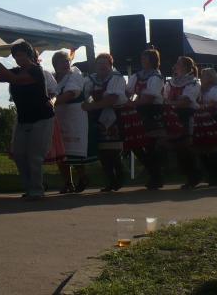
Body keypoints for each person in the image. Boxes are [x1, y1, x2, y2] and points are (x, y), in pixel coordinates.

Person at [0, 41, 55, 200]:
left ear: (29, 55)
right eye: (15, 56)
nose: (18, 58)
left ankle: (36, 190)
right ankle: (29, 188)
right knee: (19, 154)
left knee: (35, 156)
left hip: (42, 118)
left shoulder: (36, 70)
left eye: (21, 55)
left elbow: (15, 79)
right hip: (23, 119)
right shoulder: (16, 70)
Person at [81, 53, 127, 192]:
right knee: (102, 152)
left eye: (105, 63)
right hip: (98, 117)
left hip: (115, 116)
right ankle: (111, 181)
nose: (101, 66)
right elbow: (84, 96)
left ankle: (119, 178)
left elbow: (113, 98)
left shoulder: (116, 78)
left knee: (114, 151)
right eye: (99, 63)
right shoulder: (90, 79)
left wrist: (91, 106)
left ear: (110, 65)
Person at [52, 50, 93, 193]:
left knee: (74, 150)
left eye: (67, 61)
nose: (66, 64)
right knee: (60, 151)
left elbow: (70, 94)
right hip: (58, 116)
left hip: (75, 117)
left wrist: (50, 103)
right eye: (61, 62)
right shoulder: (52, 77)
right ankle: (68, 182)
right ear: (55, 64)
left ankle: (83, 177)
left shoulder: (74, 75)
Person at [126, 48, 166, 190]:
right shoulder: (137, 75)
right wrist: (125, 99)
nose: (143, 60)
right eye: (142, 57)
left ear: (153, 60)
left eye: (146, 58)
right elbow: (128, 91)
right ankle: (154, 175)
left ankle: (156, 177)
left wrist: (131, 103)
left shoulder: (156, 77)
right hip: (140, 111)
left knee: (151, 146)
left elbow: (150, 98)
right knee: (136, 144)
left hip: (153, 111)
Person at [164, 56, 201, 189]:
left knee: (186, 147)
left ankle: (194, 176)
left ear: (186, 67)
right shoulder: (171, 83)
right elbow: (165, 98)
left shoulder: (193, 82)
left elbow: (185, 101)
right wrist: (171, 103)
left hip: (187, 115)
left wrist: (170, 103)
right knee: (178, 148)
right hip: (173, 116)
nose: (175, 66)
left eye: (178, 64)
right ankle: (190, 176)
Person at [196, 68, 217, 187]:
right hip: (203, 121)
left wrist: (200, 106)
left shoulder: (216, 89)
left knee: (214, 149)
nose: (201, 78)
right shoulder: (201, 90)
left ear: (211, 77)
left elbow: (215, 104)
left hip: (215, 120)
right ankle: (210, 175)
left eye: (204, 76)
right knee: (203, 149)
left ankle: (216, 177)